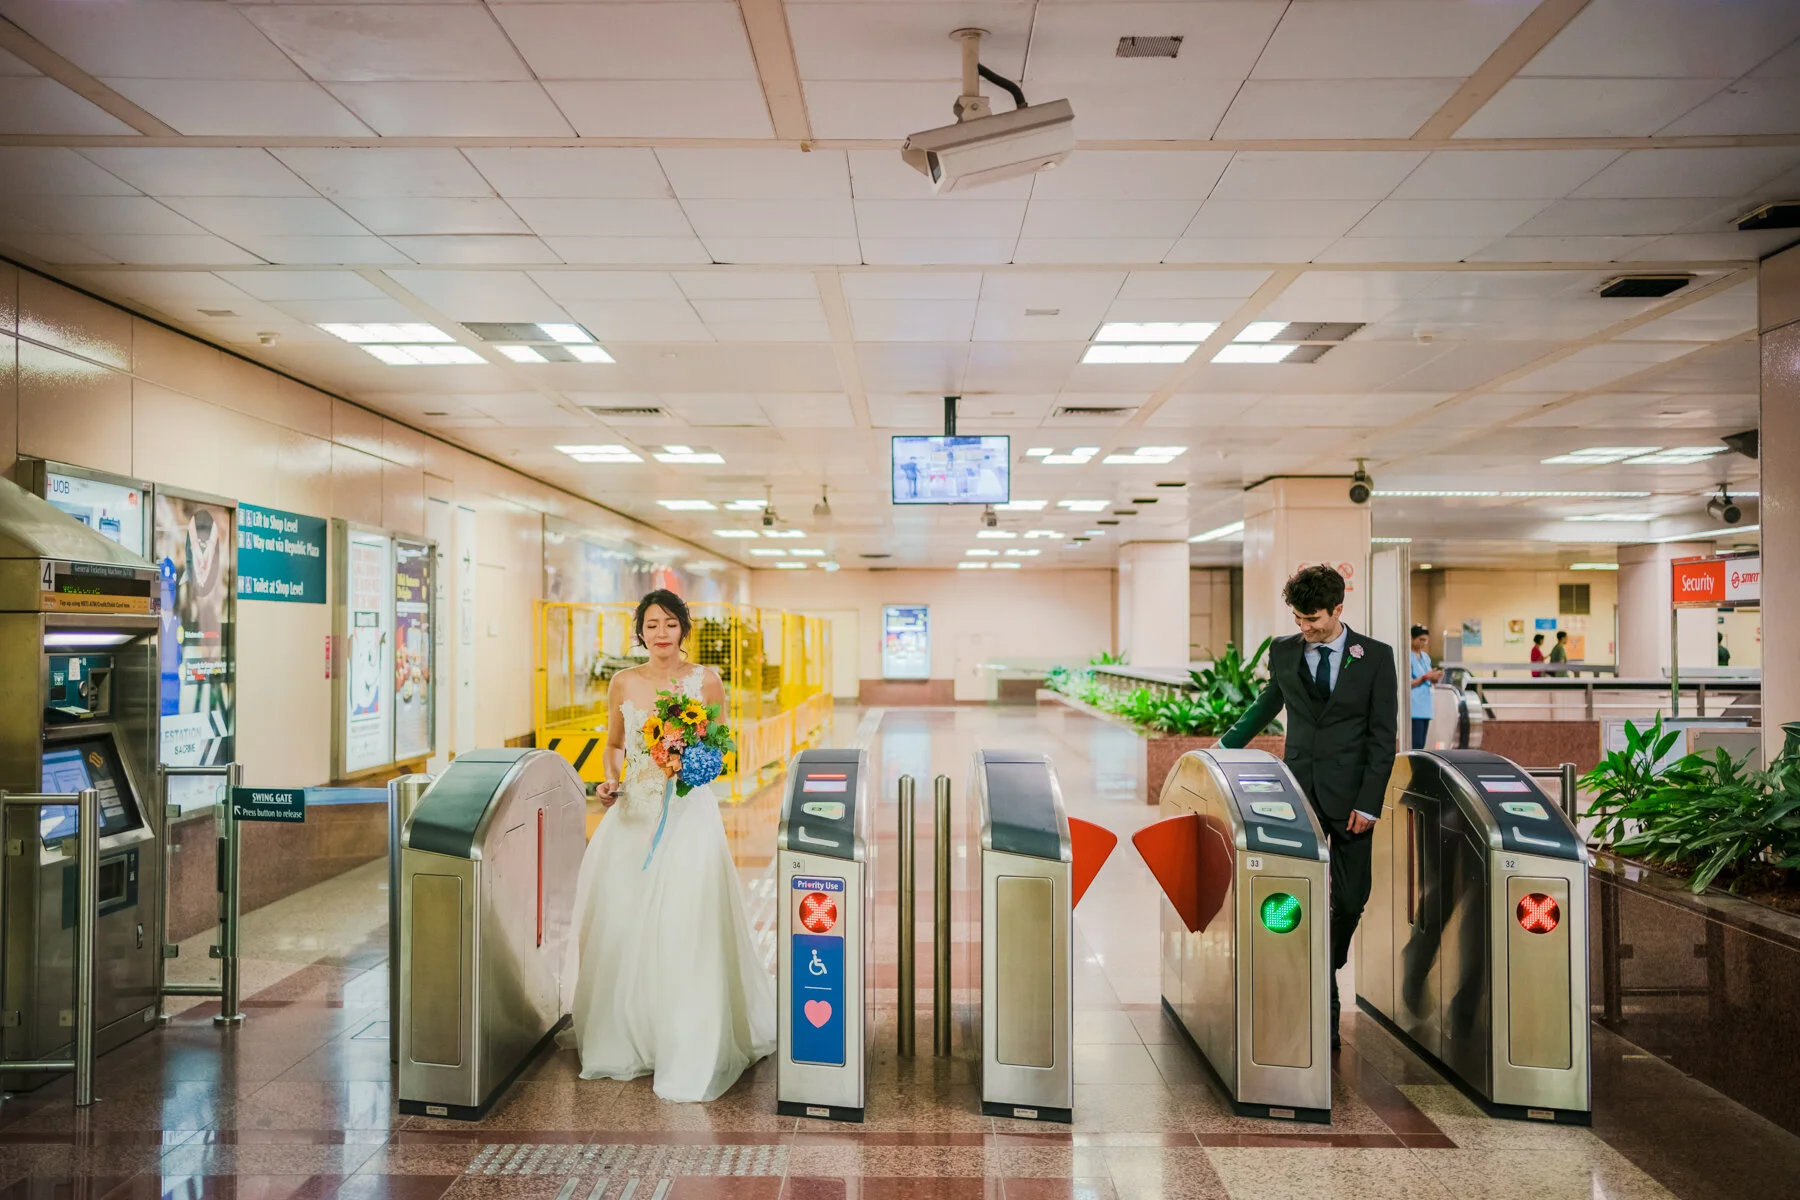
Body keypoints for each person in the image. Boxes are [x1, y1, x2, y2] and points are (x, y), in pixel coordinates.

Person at [561, 589, 775, 1101]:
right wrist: (611, 780)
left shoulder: (706, 681)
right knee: (623, 923)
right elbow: (615, 745)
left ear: (683, 629)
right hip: (633, 816)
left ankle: (687, 1039)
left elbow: (720, 748)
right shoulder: (623, 682)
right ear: (640, 631)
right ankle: (630, 1033)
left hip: (687, 815)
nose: (661, 633)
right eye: (651, 624)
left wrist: (692, 763)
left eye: (670, 623)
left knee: (686, 922)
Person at [1220, 564, 1398, 1050]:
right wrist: (1221, 749)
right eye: (1298, 618)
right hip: (1298, 797)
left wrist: (1370, 802)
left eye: (1313, 619)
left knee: (1351, 900)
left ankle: (1329, 961)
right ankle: (1323, 1000)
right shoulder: (1284, 651)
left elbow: (1383, 737)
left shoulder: (1375, 657)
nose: (1304, 628)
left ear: (1338, 609)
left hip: (1353, 801)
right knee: (1297, 899)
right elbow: (1266, 704)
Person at [1409, 625, 1441, 748]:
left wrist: (1434, 677)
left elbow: (1428, 678)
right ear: (1412, 638)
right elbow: (1407, 683)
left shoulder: (1426, 657)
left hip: (1425, 706)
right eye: (1421, 639)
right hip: (1414, 707)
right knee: (1415, 744)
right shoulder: (1407, 657)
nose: (1423, 643)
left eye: (1425, 640)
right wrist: (1425, 677)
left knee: (1421, 744)